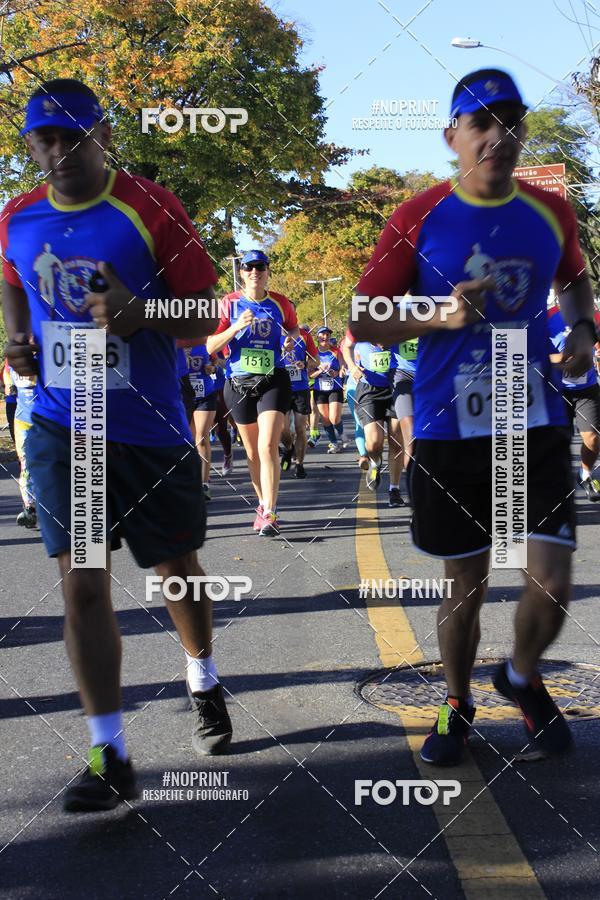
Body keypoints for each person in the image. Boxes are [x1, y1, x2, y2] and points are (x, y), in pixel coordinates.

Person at [351, 68, 596, 765]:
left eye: (509, 121)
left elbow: (573, 278)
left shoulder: (552, 213)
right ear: (452, 135)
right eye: (480, 123)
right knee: (468, 583)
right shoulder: (418, 217)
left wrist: (581, 332)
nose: (497, 135)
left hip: (532, 416)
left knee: (551, 577)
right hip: (448, 425)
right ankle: (456, 702)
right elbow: (365, 317)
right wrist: (440, 312)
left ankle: (519, 676)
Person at [1, 78, 232, 812]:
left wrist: (140, 312)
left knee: (177, 571)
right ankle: (110, 750)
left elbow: (202, 314)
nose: (61, 152)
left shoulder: (153, 208)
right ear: (31, 146)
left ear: (105, 137)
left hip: (148, 424)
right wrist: (16, 338)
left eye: (75, 136)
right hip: (65, 424)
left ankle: (203, 677)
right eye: (47, 140)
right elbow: (9, 276)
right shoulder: (18, 216)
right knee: (85, 582)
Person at [206, 250, 298, 535]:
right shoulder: (229, 303)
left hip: (273, 378)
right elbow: (210, 346)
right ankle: (261, 503)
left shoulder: (280, 303)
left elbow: (293, 330)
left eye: (260, 267)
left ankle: (270, 510)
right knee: (252, 452)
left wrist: (288, 342)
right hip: (238, 383)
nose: (254, 272)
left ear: (268, 270)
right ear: (242, 272)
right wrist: (236, 326)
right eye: (249, 267)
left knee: (267, 445)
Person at [343, 336, 404, 505]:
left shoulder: (398, 316)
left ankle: (394, 489)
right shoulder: (360, 319)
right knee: (374, 442)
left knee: (396, 441)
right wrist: (352, 366)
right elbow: (346, 346)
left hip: (396, 384)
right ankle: (375, 463)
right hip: (369, 388)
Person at [548, 303, 600, 500]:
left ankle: (585, 474)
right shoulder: (547, 317)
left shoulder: (592, 314)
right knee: (558, 443)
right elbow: (535, 354)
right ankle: (554, 485)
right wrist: (562, 359)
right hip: (557, 390)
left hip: (586, 390)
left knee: (593, 440)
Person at [281, 323, 318, 478]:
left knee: (300, 428)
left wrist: (306, 364)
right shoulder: (273, 333)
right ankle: (289, 448)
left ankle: (300, 464)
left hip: (300, 388)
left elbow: (316, 359)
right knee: (284, 431)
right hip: (280, 388)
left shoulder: (304, 335)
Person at [186, 342, 219, 501]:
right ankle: (190, 480)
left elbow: (215, 362)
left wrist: (212, 368)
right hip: (183, 396)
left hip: (205, 395)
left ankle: (204, 484)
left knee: (201, 439)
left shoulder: (205, 343)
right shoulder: (173, 342)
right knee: (187, 441)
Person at [10, 366, 38, 527]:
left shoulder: (45, 358)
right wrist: (9, 384)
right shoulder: (15, 357)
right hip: (22, 421)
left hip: (47, 419)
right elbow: (6, 370)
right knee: (26, 465)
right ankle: (30, 508)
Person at [312, 326, 344, 453]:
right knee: (325, 418)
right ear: (318, 337)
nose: (325, 337)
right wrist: (320, 370)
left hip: (334, 387)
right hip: (319, 388)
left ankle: (342, 436)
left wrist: (337, 373)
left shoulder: (336, 351)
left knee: (334, 417)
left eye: (327, 335)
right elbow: (309, 373)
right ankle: (333, 443)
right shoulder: (313, 352)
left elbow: (342, 369)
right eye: (322, 334)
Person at [3, 359, 17, 444]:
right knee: (12, 425)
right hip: (12, 399)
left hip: (27, 400)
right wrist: (8, 384)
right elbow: (6, 371)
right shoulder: (11, 356)